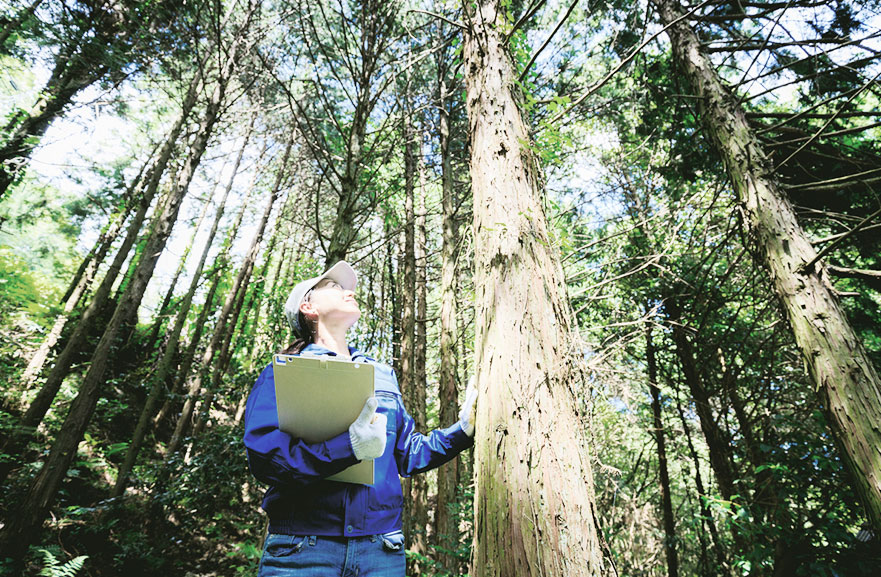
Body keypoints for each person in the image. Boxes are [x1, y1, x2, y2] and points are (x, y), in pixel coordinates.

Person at [243, 260, 478, 577]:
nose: (348, 291)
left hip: (381, 550)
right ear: (308, 307)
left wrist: (462, 432)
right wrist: (348, 447)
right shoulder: (282, 372)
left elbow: (407, 454)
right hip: (301, 550)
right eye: (334, 287)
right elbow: (267, 459)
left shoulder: (382, 375)